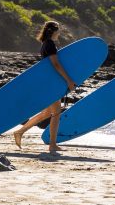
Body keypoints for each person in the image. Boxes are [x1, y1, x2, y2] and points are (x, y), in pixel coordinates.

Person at [14, 21, 76, 153]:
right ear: (54, 31)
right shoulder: (50, 44)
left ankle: (20, 132)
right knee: (57, 112)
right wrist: (69, 80)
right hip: (50, 84)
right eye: (58, 30)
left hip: (49, 82)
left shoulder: (45, 44)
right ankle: (52, 144)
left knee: (47, 113)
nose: (59, 33)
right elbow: (56, 65)